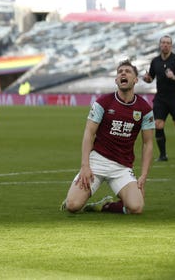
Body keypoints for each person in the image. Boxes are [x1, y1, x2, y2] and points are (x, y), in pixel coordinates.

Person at [61, 60, 154, 215]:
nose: (123, 73)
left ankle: (105, 205)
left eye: (128, 71)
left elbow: (148, 144)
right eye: (120, 72)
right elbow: (89, 133)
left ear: (136, 80)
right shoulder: (103, 102)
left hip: (122, 167)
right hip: (97, 161)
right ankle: (75, 195)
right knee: (72, 205)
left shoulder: (144, 109)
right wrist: (85, 165)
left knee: (137, 207)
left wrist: (143, 176)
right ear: (116, 80)